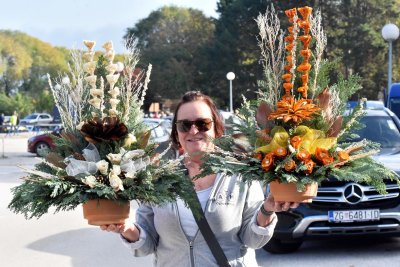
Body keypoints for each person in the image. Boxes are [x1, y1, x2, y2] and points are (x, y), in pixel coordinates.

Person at [101, 91, 298, 266]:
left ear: (217, 129)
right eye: (184, 125)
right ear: (177, 134)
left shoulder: (240, 174)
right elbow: (146, 244)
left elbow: (253, 240)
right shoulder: (158, 178)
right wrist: (125, 227)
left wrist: (267, 210)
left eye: (203, 124)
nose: (194, 131)